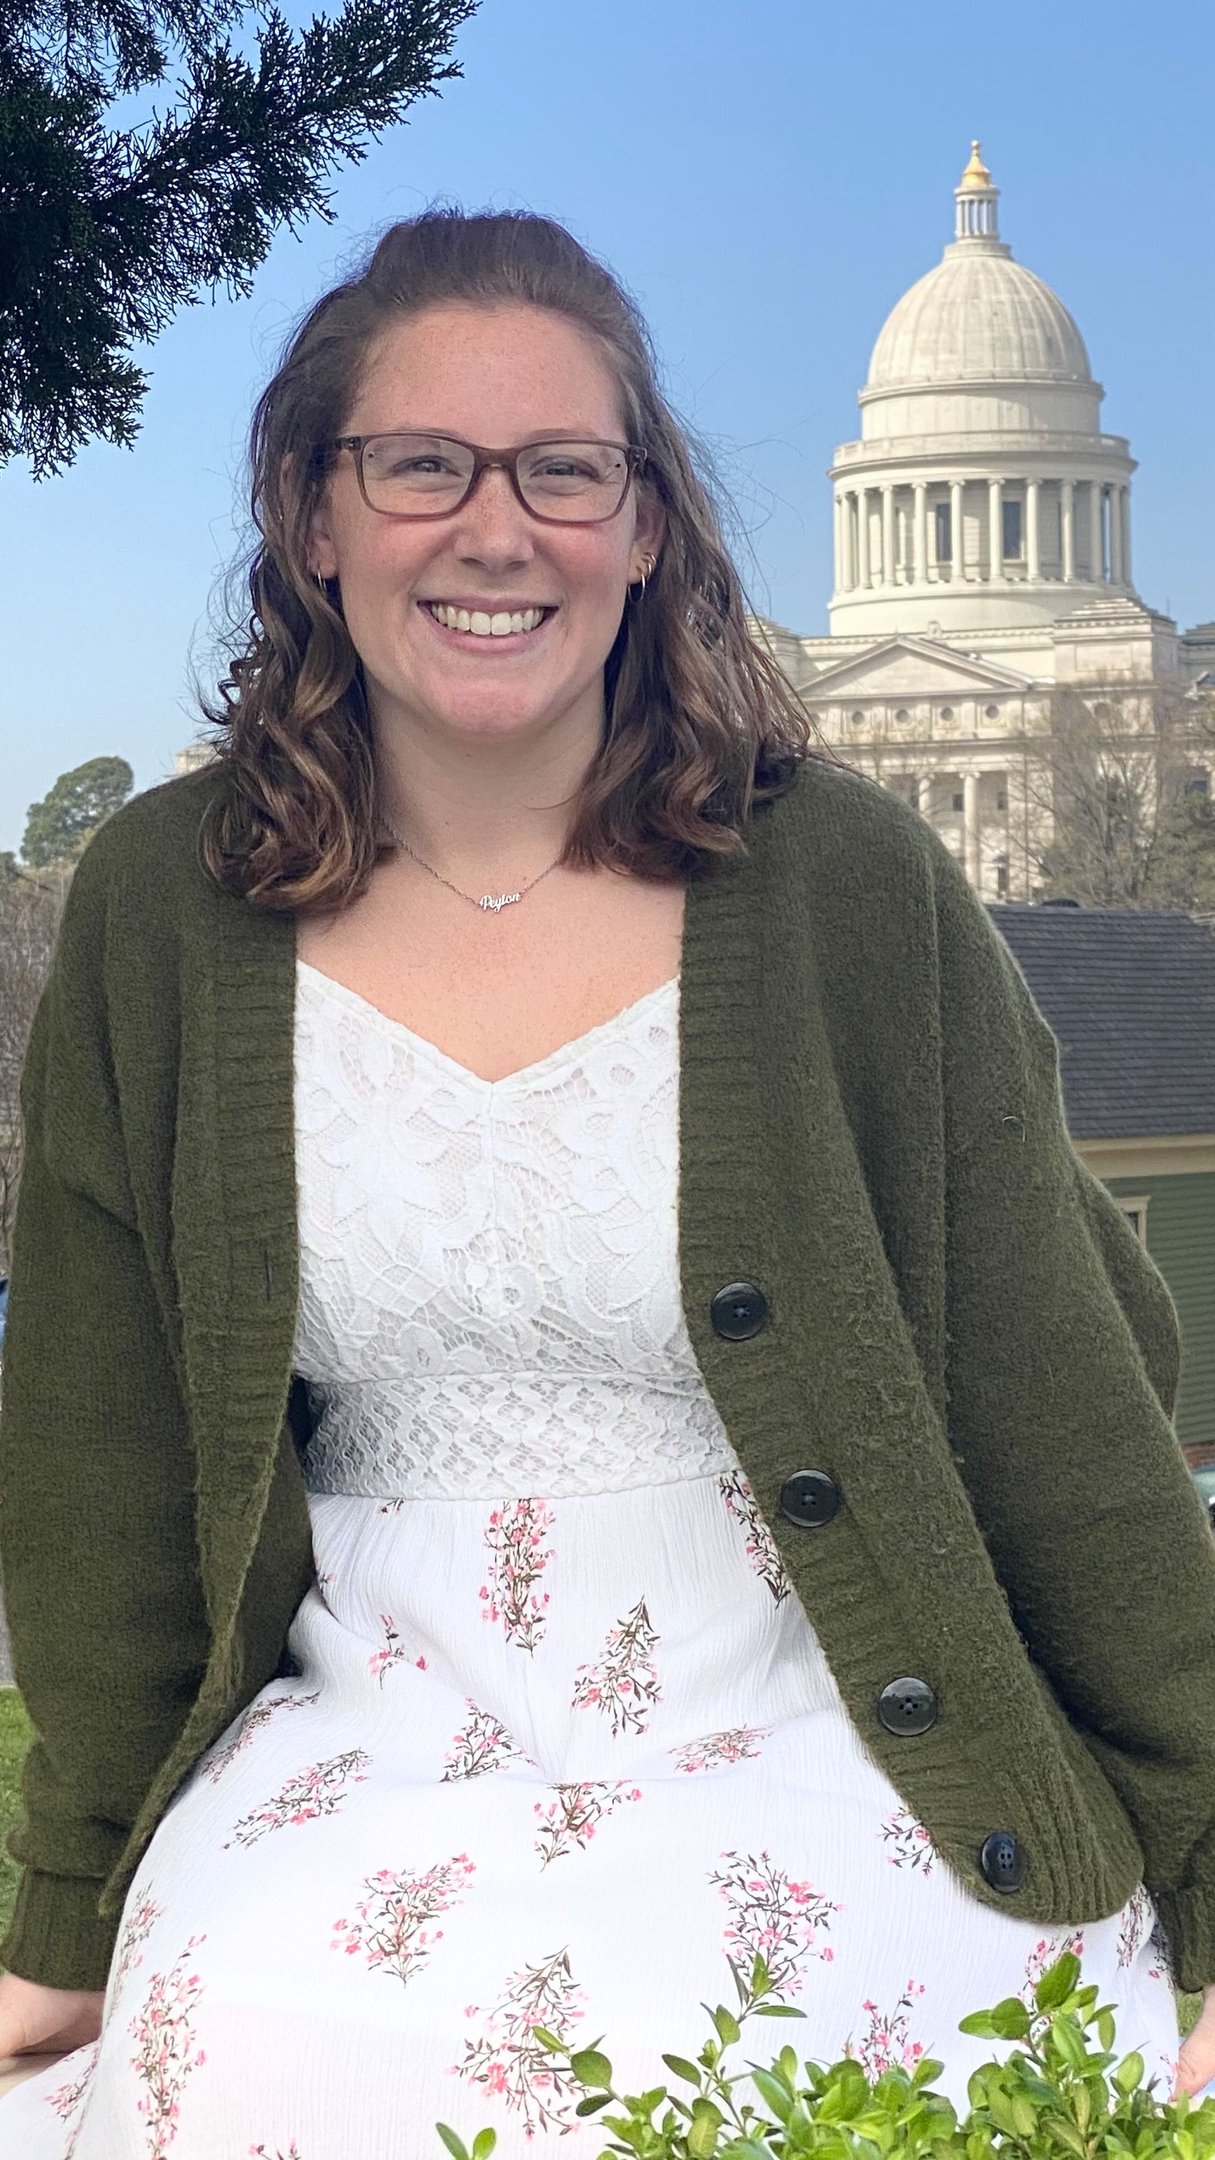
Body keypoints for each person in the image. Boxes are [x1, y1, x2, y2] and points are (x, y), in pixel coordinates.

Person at [0, 208, 1213, 2157]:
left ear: (644, 523)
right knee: (260, 2053)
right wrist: (69, 1916)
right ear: (312, 514)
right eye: (423, 465)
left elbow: (1056, 1400)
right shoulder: (164, 905)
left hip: (830, 1716)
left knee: (759, 2060)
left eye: (563, 470)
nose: (498, 532)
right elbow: (103, 1456)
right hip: (371, 1726)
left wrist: (1204, 1873)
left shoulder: (842, 884)